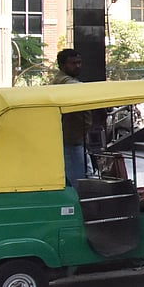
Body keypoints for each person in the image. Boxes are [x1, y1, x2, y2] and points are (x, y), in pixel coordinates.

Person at [51, 48, 91, 187]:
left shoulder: (66, 80)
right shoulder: (64, 82)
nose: (77, 66)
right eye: (73, 63)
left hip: (75, 139)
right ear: (61, 65)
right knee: (78, 179)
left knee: (82, 173)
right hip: (71, 140)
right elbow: (82, 89)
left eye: (79, 62)